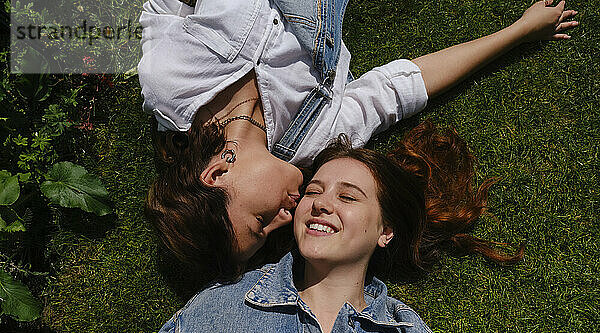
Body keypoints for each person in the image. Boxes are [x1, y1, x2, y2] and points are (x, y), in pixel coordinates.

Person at [139, 0, 577, 280]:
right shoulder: (312, 140)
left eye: (261, 219)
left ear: (216, 172)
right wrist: (520, 32)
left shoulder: (172, 85)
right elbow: (399, 90)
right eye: (269, 233)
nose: (284, 220)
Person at [120, 121, 524, 333]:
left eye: (348, 198)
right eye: (312, 192)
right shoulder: (218, 310)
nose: (321, 205)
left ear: (385, 232)